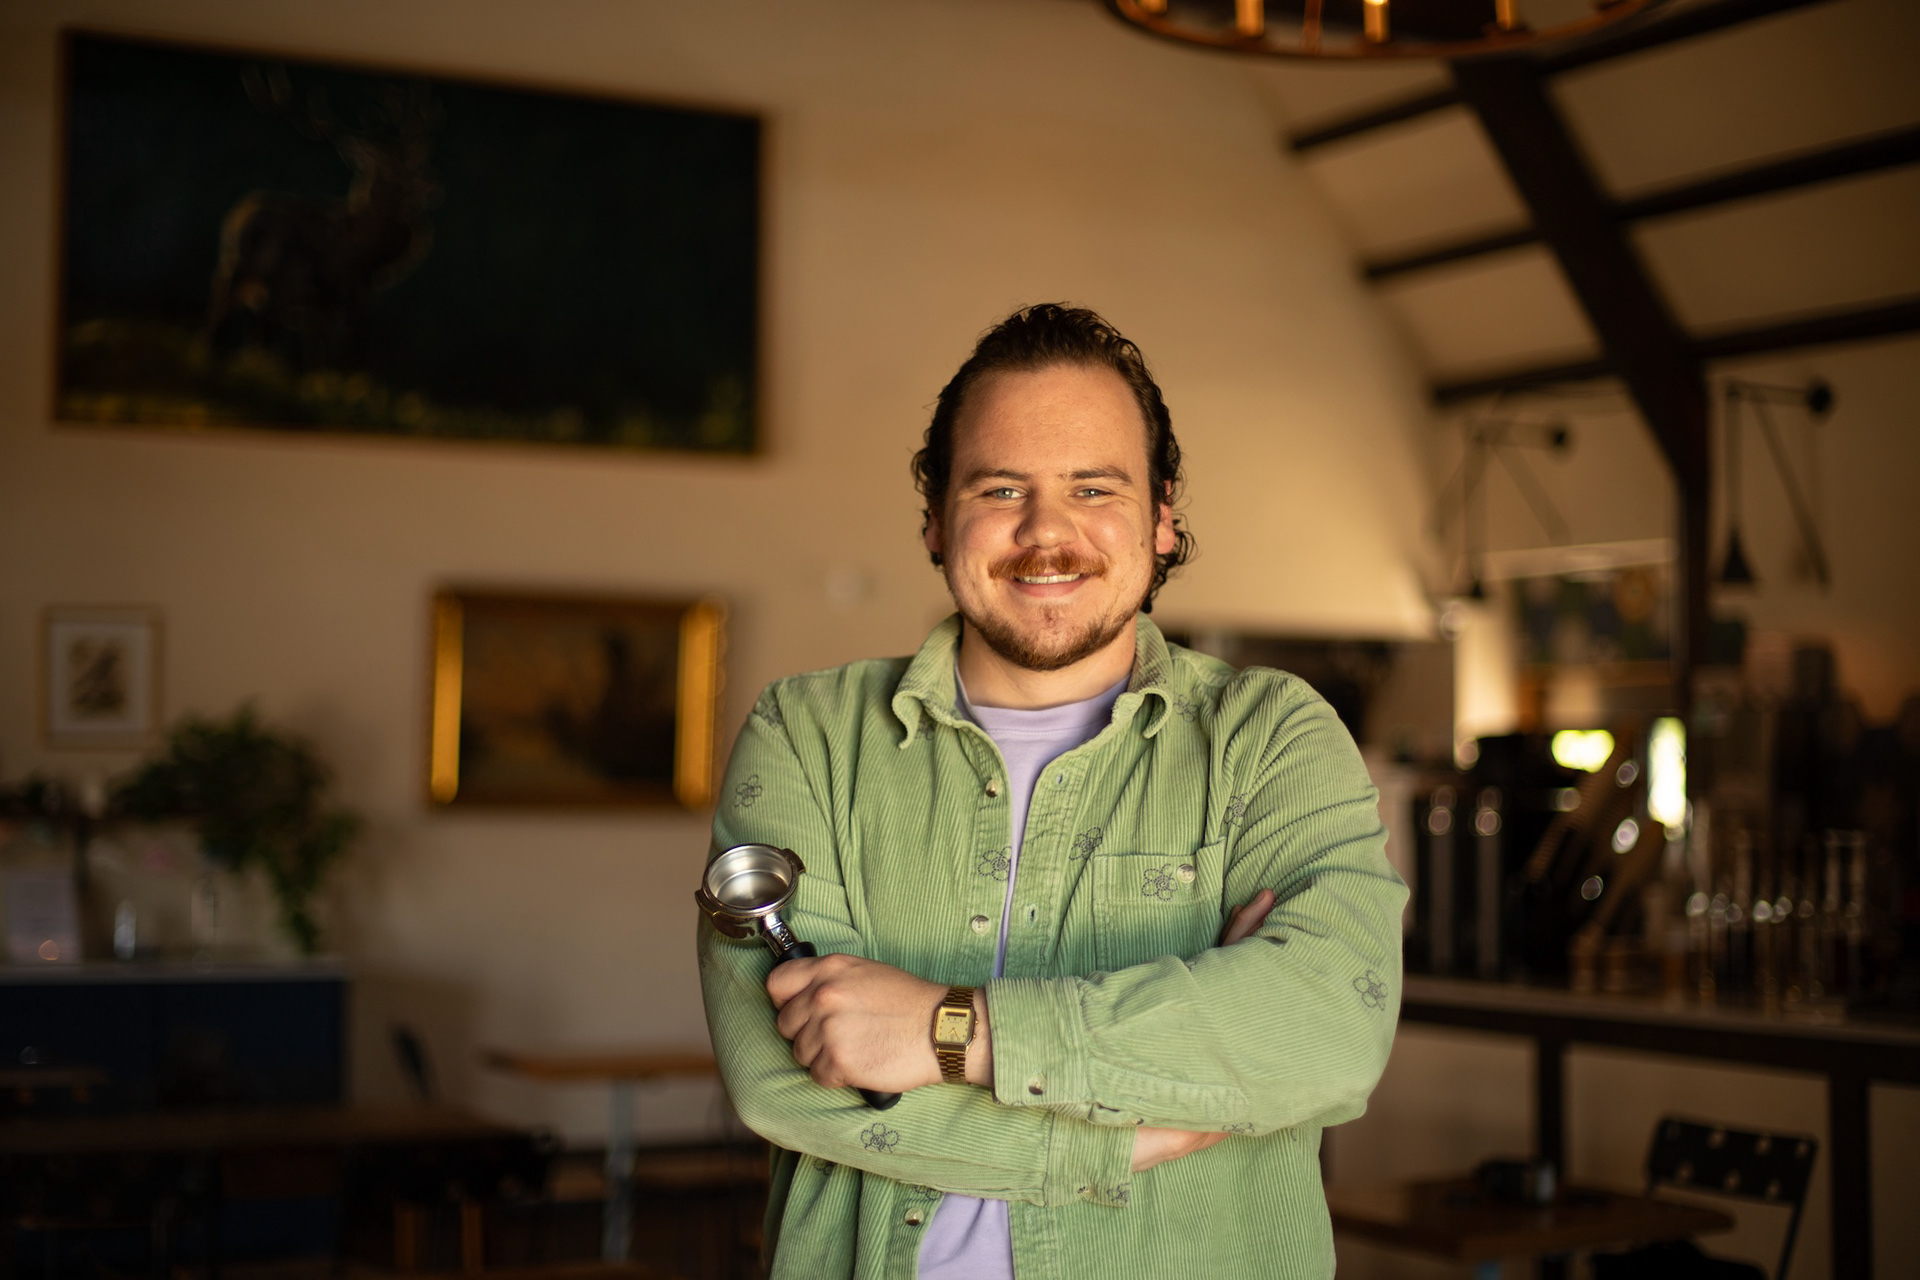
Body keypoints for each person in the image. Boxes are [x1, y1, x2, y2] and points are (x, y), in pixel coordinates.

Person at [698, 303, 1406, 1280]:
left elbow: (1327, 1027)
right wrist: (1130, 1127)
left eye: (1092, 486)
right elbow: (780, 1082)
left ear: (1161, 518)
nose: (1047, 530)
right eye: (1000, 487)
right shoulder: (808, 735)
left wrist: (949, 1030)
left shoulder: (1271, 736)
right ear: (936, 519)